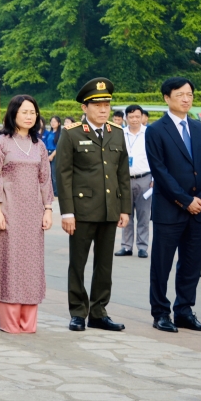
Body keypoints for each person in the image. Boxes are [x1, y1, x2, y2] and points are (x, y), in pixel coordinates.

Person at [55, 78, 129, 332]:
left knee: (104, 264)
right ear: (84, 108)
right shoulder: (72, 133)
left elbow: (123, 174)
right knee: (78, 263)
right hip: (82, 211)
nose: (103, 109)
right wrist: (67, 212)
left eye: (106, 104)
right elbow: (63, 175)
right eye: (97, 104)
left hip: (110, 208)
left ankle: (98, 312)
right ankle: (78, 312)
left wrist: (125, 209)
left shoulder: (116, 133)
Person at [146, 77, 201, 333]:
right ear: (167, 98)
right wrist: (185, 201)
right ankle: (161, 312)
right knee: (162, 264)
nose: (186, 99)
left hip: (199, 211)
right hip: (170, 209)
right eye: (180, 95)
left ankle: (184, 310)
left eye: (189, 94)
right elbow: (160, 172)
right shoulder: (156, 130)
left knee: (191, 263)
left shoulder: (199, 129)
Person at [0, 94, 52, 334]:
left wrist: (48, 210)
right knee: (9, 264)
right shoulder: (0, 143)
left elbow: (45, 180)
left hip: (33, 214)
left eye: (32, 112)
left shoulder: (39, 146)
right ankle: (10, 321)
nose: (29, 116)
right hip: (9, 212)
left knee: (31, 266)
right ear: (13, 114)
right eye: (24, 112)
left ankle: (28, 321)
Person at [118, 104, 153, 258]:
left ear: (142, 117)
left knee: (144, 214)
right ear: (126, 118)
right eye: (131, 117)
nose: (134, 119)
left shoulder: (149, 133)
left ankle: (142, 246)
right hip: (124, 180)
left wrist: (155, 179)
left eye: (137, 116)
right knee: (126, 213)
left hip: (145, 178)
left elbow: (157, 158)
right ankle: (126, 246)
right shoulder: (120, 134)